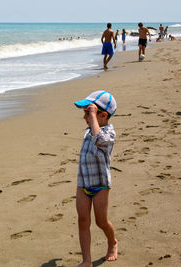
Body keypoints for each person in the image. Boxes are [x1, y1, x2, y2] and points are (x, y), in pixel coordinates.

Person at [74, 91, 118, 267]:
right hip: (83, 183)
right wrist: (92, 116)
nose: (85, 117)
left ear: (103, 115)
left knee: (101, 221)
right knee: (83, 220)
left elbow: (100, 140)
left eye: (89, 113)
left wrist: (92, 116)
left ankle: (112, 242)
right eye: (85, 113)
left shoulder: (109, 133)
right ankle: (87, 260)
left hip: (100, 185)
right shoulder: (88, 131)